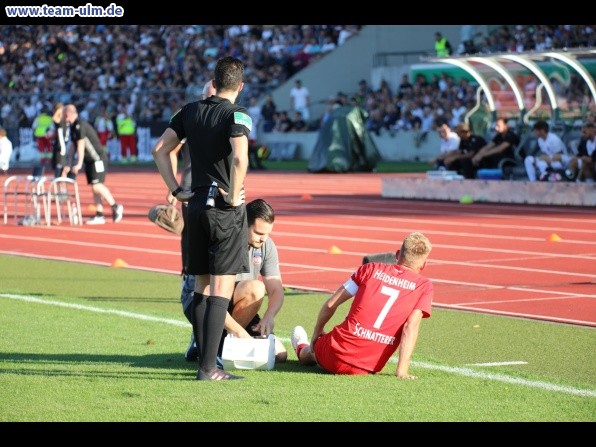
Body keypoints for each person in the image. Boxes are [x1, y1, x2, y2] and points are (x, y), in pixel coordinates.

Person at [151, 56, 251, 381]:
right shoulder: (237, 114)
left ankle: (203, 357)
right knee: (222, 285)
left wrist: (175, 189)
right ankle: (209, 367)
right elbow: (239, 157)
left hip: (193, 205)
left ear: (214, 80)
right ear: (240, 85)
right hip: (223, 209)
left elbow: (159, 150)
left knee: (201, 286)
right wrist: (235, 195)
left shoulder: (188, 110)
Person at [291, 232, 433, 378]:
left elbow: (331, 303)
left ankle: (303, 347)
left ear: (397, 254)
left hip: (335, 354)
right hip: (369, 365)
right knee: (330, 351)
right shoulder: (424, 286)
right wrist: (401, 371)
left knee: (312, 352)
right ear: (424, 264)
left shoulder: (370, 269)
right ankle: (309, 348)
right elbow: (410, 327)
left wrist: (317, 332)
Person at [183, 199, 287, 364]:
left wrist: (269, 316)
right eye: (259, 233)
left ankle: (211, 341)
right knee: (256, 288)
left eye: (267, 233)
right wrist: (241, 334)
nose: (264, 239)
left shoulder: (267, 245)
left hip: (236, 303)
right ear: (243, 224)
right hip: (201, 302)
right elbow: (209, 299)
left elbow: (276, 290)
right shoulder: (223, 243)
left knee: (280, 355)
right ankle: (210, 343)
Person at [62, 104, 124, 225]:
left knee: (96, 185)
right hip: (90, 160)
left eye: (64, 115)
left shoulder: (80, 125)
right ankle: (99, 214)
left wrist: (78, 163)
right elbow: (72, 146)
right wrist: (68, 162)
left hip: (97, 158)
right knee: (94, 187)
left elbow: (80, 145)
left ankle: (115, 206)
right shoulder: (73, 126)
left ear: (68, 114)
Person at [47, 102, 67, 178]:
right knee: (58, 167)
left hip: (61, 146)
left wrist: (59, 110)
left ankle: (62, 186)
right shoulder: (62, 121)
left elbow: (54, 118)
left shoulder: (62, 121)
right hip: (58, 145)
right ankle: (59, 185)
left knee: (60, 167)